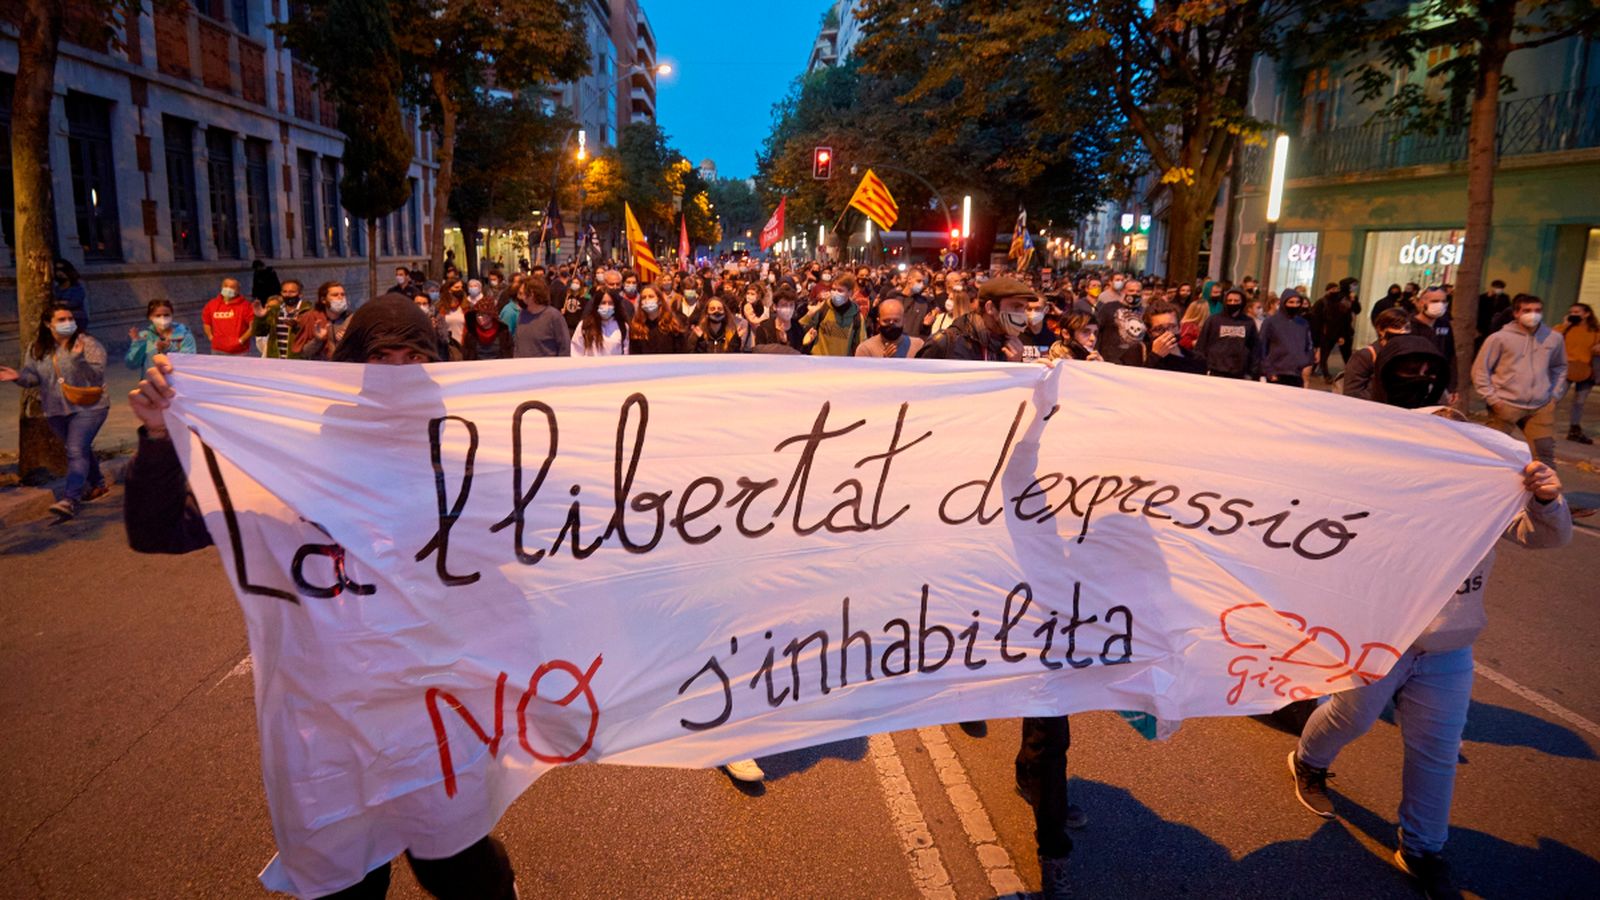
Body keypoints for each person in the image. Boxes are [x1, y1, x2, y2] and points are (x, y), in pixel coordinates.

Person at [122, 296, 520, 898]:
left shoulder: (467, 462)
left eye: (412, 356)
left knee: (459, 865)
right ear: (347, 365)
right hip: (327, 728)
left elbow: (538, 560)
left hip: (437, 717)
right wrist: (157, 438)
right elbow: (158, 533)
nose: (394, 370)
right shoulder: (285, 463)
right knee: (346, 882)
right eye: (378, 357)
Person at [1288, 407, 1570, 900]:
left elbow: (1546, 536)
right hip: (1379, 644)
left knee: (1437, 751)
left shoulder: (1483, 498)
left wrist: (1546, 499)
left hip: (1448, 647)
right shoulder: (1375, 495)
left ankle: (1422, 848)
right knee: (1350, 719)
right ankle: (1308, 761)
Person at [918, 276, 1082, 898]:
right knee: (975, 637)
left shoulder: (1033, 357)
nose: (1027, 318)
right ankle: (960, 692)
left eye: (1032, 310)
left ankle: (1049, 823)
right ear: (987, 310)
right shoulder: (947, 353)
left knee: (1049, 670)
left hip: (1025, 525)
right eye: (1016, 310)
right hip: (966, 525)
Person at [0, 303, 110, 518]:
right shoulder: (37, 349)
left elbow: (96, 376)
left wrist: (79, 359)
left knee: (75, 449)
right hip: (56, 409)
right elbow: (32, 378)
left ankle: (70, 499)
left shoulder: (87, 344)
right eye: (61, 320)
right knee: (80, 448)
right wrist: (17, 377)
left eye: (70, 318)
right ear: (47, 324)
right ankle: (98, 484)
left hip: (90, 406)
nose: (67, 323)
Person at [1472, 294, 1566, 467]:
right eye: (1527, 310)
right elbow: (1481, 370)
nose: (1533, 314)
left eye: (1537, 310)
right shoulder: (1499, 338)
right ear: (1516, 313)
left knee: (1544, 453)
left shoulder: (1554, 338)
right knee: (1492, 453)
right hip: (1506, 405)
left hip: (1540, 405)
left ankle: (1543, 493)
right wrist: (1492, 399)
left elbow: (1559, 367)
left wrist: (1554, 395)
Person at [1342, 309, 1412, 400]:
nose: (1402, 330)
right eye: (1396, 326)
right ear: (1381, 330)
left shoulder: (1408, 354)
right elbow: (1352, 394)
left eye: (1407, 327)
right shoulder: (1365, 356)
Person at [1557, 303, 1599, 444]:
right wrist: (1565, 325)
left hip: (1587, 370)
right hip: (1566, 368)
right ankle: (1539, 423)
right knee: (1555, 396)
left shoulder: (1595, 330)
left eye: (1577, 312)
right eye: (1571, 312)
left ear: (1586, 314)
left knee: (1579, 402)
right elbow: (1551, 340)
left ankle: (1574, 430)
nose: (1573, 314)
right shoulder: (1565, 328)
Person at [1410, 287, 1459, 405]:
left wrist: (1452, 387)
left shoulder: (1444, 325)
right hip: (1414, 385)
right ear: (1422, 302)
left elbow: (1450, 355)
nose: (1440, 305)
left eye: (1443, 301)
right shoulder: (1410, 325)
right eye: (1435, 301)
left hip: (1439, 384)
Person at [1195, 288, 1258, 379]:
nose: (1232, 303)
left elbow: (1255, 349)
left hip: (1239, 373)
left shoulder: (1248, 322)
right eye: (1229, 300)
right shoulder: (1213, 320)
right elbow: (1201, 345)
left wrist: (1252, 372)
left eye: (1236, 301)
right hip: (1215, 371)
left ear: (1242, 302)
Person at [1258, 289, 1315, 387]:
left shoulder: (1303, 323)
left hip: (1297, 374)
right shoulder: (1270, 322)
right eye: (1291, 302)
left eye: (1297, 302)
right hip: (1276, 374)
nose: (1294, 305)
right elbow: (1261, 348)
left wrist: (1306, 362)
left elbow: (1309, 345)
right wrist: (1268, 372)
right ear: (1284, 303)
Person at [800, 275, 867, 356]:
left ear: (850, 293)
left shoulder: (856, 317)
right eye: (833, 289)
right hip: (818, 361)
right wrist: (809, 314)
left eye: (840, 290)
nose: (835, 293)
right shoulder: (822, 308)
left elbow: (861, 344)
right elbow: (799, 330)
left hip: (841, 365)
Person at [126, 299, 197, 370]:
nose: (162, 318)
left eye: (166, 315)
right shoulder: (144, 336)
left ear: (172, 315)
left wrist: (169, 348)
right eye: (158, 315)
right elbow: (132, 364)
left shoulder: (184, 334)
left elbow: (189, 360)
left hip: (178, 376)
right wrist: (136, 343)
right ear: (150, 317)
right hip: (153, 378)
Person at [1140, 300, 1206, 374]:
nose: (1167, 333)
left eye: (1172, 326)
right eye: (1158, 329)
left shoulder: (1196, 360)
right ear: (1149, 332)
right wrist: (1155, 356)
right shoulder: (1139, 352)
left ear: (1179, 327)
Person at [512, 277, 571, 359]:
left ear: (531, 295)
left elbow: (564, 348)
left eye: (521, 294)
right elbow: (518, 345)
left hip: (546, 370)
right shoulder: (522, 314)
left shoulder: (554, 316)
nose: (519, 297)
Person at [251, 280, 309, 360]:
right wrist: (260, 317)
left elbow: (312, 336)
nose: (288, 295)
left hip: (298, 360)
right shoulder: (275, 310)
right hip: (276, 359)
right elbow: (260, 332)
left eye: (292, 292)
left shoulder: (308, 311)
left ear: (300, 294)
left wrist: (297, 327)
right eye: (284, 292)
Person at [1096, 278, 1146, 366]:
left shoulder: (1145, 312)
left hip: (1134, 363)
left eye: (1138, 291)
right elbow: (1097, 330)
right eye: (1131, 291)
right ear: (1123, 291)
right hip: (1109, 360)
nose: (1135, 293)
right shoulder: (1109, 307)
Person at [629, 284, 692, 354]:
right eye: (644, 298)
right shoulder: (637, 327)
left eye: (651, 296)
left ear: (659, 300)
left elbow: (682, 351)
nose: (647, 300)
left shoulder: (672, 324)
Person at [297, 282, 352, 361]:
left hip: (344, 368)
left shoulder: (352, 319)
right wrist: (318, 340)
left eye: (343, 294)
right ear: (323, 300)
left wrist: (348, 341)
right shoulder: (311, 317)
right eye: (335, 295)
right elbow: (304, 353)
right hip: (320, 369)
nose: (340, 297)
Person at [202, 277, 254, 356]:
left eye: (232, 287)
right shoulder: (212, 304)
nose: (228, 289)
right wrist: (210, 337)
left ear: (238, 290)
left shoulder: (246, 306)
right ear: (221, 287)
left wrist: (241, 340)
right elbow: (206, 322)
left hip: (239, 351)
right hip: (217, 350)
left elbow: (253, 326)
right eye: (226, 286)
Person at [855, 298, 924, 358]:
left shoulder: (918, 346)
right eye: (886, 321)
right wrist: (885, 363)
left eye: (896, 321)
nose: (892, 325)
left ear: (903, 321)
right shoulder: (866, 349)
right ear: (878, 322)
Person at [571, 289, 631, 357]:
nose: (607, 306)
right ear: (597, 305)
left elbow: (625, 353)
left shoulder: (623, 326)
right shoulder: (584, 325)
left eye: (610, 303)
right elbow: (576, 352)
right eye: (603, 303)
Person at [459, 296, 513, 361]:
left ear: (491, 315)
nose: (479, 317)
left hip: (499, 368)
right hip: (477, 369)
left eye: (483, 314)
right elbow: (467, 356)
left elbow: (509, 354)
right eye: (478, 314)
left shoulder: (503, 333)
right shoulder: (471, 334)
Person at [1475, 280, 1511, 352]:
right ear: (1492, 287)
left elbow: (1507, 310)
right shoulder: (1483, 297)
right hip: (1484, 324)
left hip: (1498, 324)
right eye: (1497, 287)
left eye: (1501, 288)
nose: (1499, 290)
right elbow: (1480, 311)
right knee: (1481, 343)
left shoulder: (1505, 298)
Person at [54, 260, 90, 331]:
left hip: (76, 318)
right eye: (57, 270)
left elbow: (75, 302)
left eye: (63, 270)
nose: (59, 272)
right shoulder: (56, 289)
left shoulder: (77, 287)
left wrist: (60, 303)